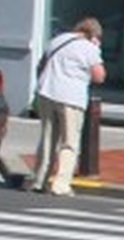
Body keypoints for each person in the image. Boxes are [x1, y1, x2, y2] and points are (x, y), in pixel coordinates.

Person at [32, 16, 106, 195]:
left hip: (47, 92)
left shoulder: (57, 40)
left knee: (48, 138)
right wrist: (96, 49)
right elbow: (99, 76)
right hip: (71, 97)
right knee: (69, 142)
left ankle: (39, 180)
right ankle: (61, 184)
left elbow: (41, 65)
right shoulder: (89, 48)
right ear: (94, 35)